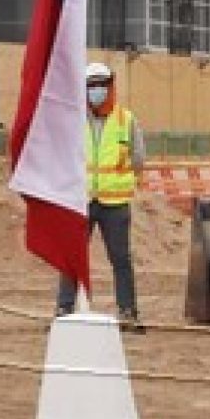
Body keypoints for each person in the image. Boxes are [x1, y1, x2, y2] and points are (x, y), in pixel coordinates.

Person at [56, 61, 146, 327]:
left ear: (110, 87)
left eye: (101, 85)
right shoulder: (73, 119)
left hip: (115, 204)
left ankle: (128, 311)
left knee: (120, 258)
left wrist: (122, 182)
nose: (96, 91)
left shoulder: (126, 120)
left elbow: (138, 158)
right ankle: (64, 308)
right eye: (91, 86)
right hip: (80, 201)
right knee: (71, 258)